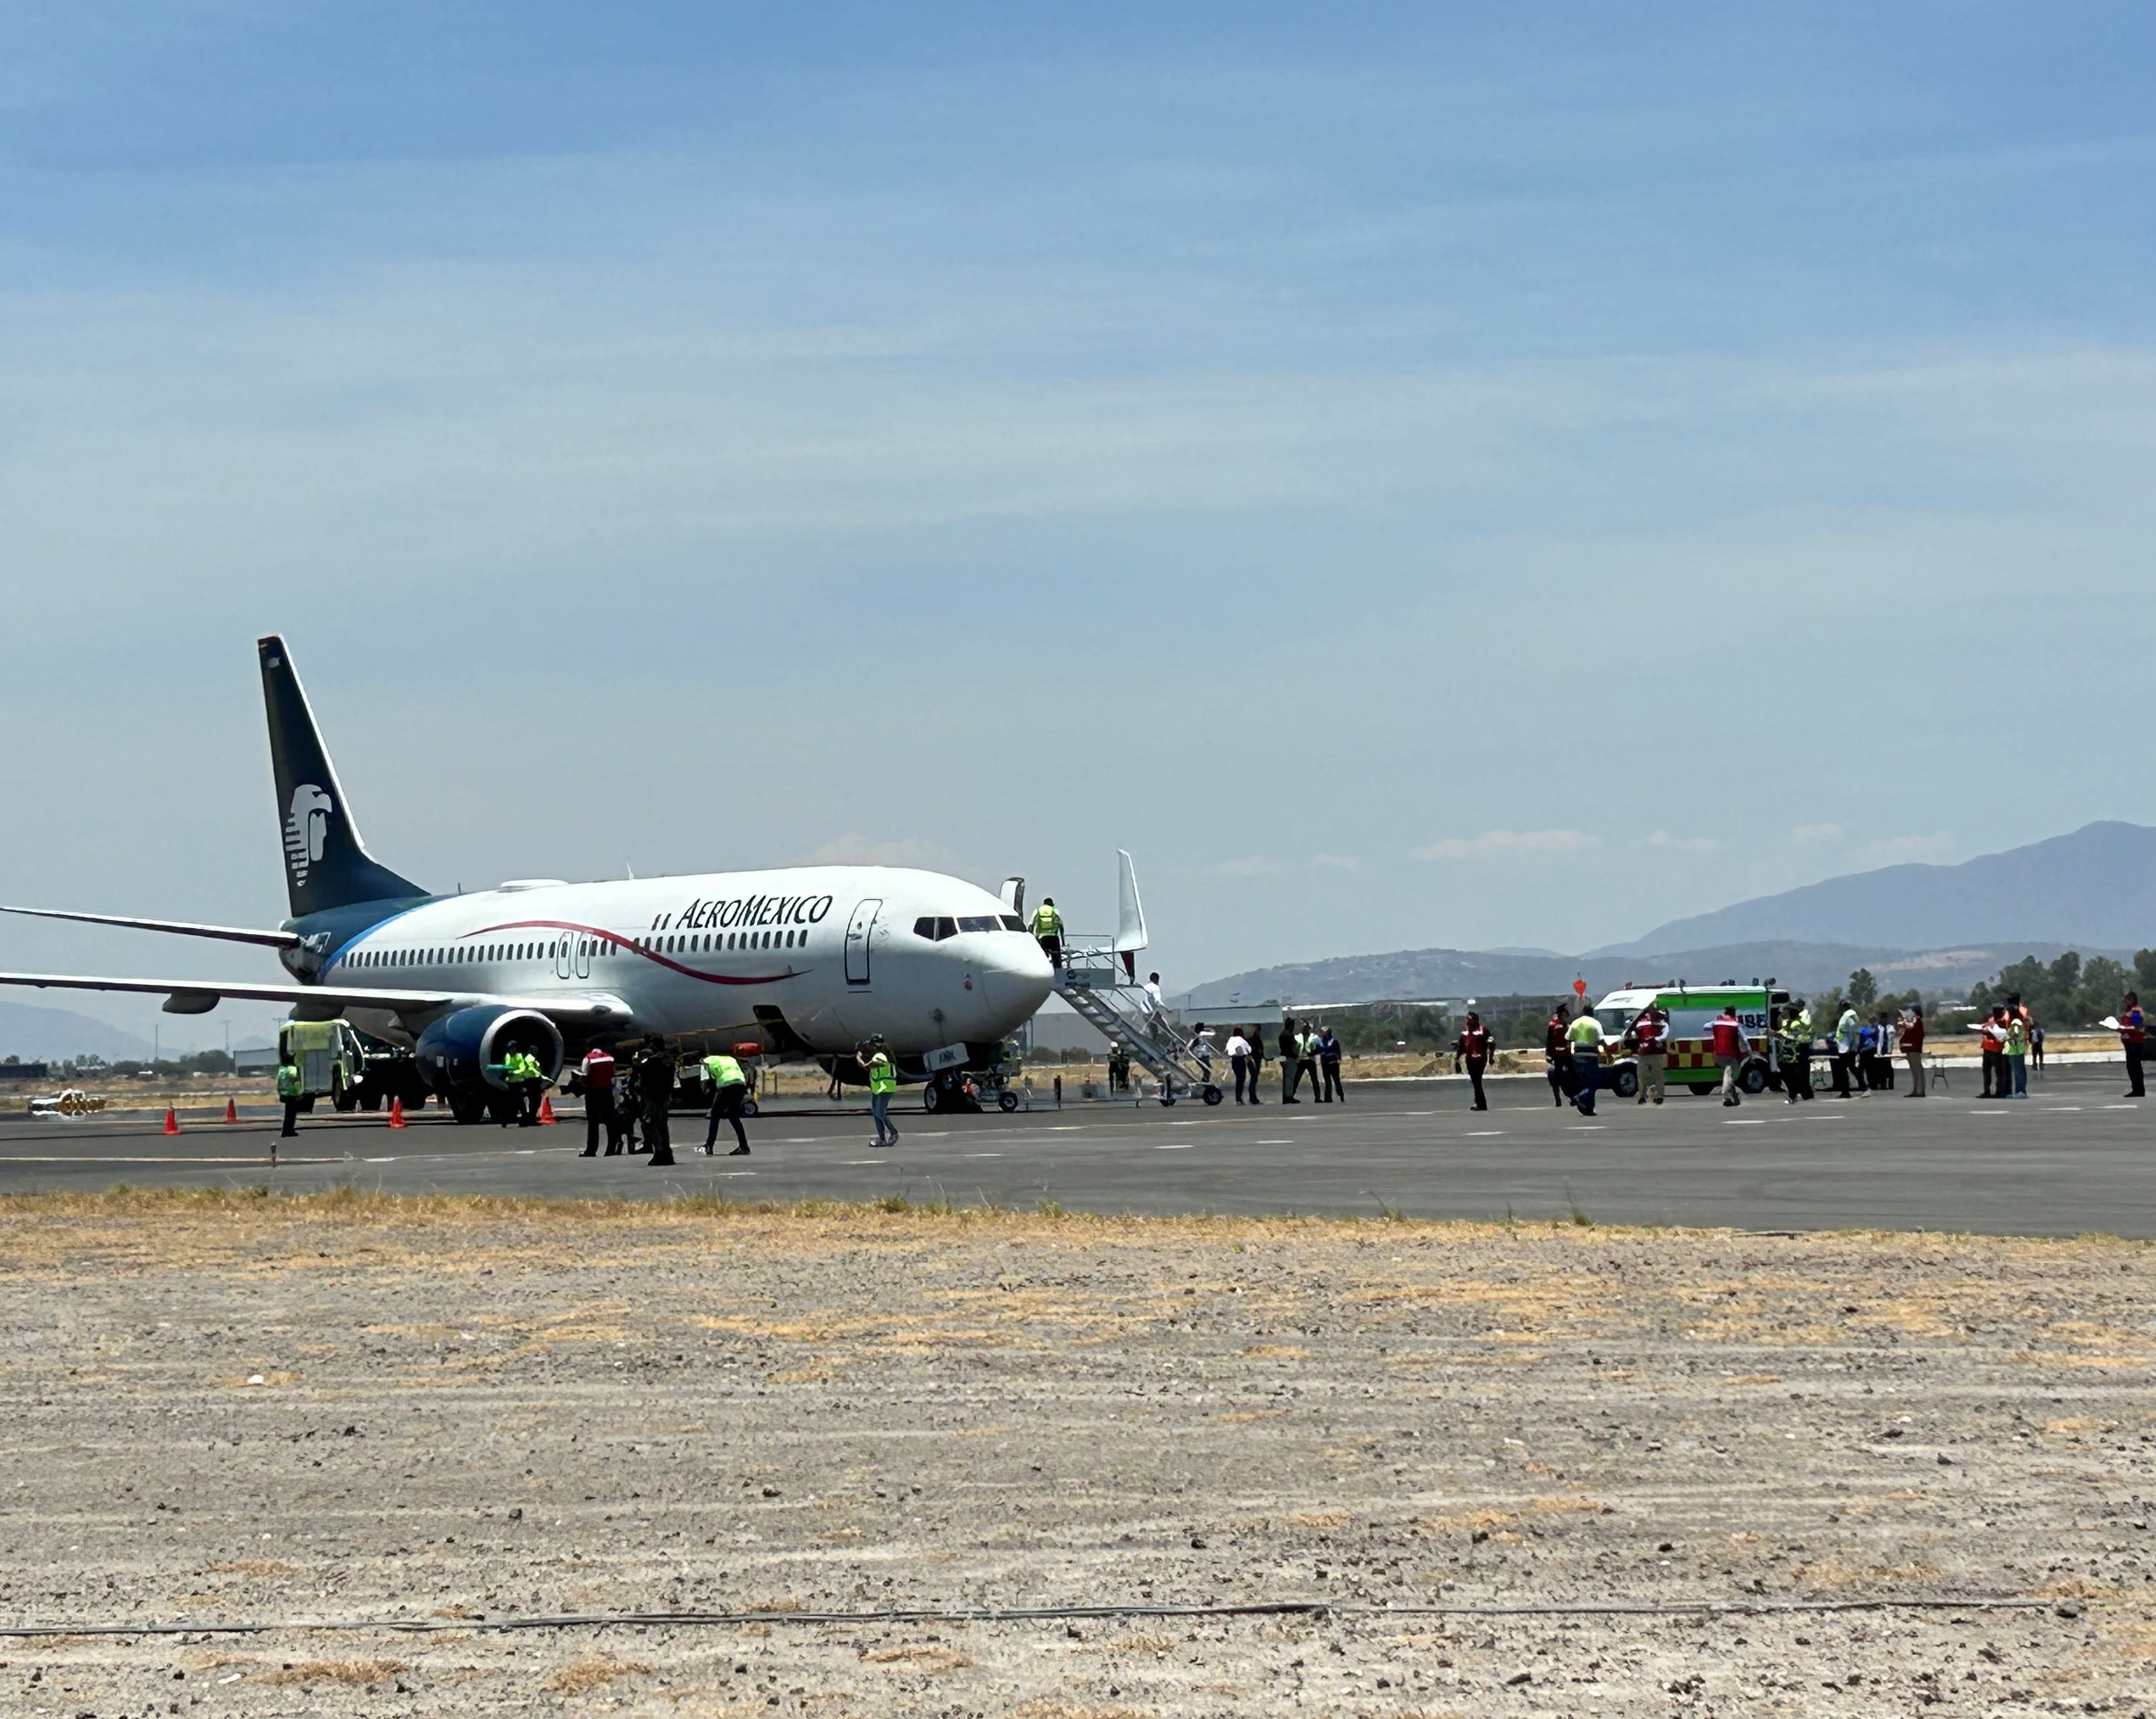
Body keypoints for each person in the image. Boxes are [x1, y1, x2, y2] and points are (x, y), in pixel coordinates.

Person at [634, 1038, 677, 1166]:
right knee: (662, 1125)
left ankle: (659, 1152)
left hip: (654, 1096)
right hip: (665, 1096)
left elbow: (642, 1074)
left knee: (651, 1124)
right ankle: (667, 1152)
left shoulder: (654, 1061)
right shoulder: (669, 1060)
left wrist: (637, 1061)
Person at [701, 1048, 752, 1154]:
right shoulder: (730, 1059)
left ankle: (709, 1146)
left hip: (726, 1085)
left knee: (715, 1114)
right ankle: (744, 1146)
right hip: (740, 1084)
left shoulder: (706, 1061)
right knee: (733, 1115)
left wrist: (708, 1092)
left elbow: (706, 1081)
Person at [578, 1043, 622, 1155]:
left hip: (593, 1092)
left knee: (593, 1123)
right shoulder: (610, 1058)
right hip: (607, 1091)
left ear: (589, 1047)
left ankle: (591, 1150)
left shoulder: (588, 1059)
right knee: (610, 1121)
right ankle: (611, 1149)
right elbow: (613, 1073)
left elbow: (585, 1075)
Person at [859, 1036, 900, 1146]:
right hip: (879, 1088)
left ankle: (893, 1132)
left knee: (880, 1113)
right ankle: (882, 1139)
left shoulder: (880, 1056)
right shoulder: (884, 1055)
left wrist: (859, 1057)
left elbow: (868, 1066)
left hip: (884, 1088)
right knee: (877, 1114)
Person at [1708, 1004, 1750, 1107]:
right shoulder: (1735, 1025)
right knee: (1729, 1075)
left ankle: (1735, 1097)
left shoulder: (1717, 1024)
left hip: (1719, 1054)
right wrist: (1750, 1053)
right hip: (1732, 1054)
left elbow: (1706, 1027)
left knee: (1728, 1074)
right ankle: (1726, 1095)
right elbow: (1744, 1040)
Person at [1566, 1006, 1604, 1115]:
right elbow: (1601, 1040)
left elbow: (1568, 1039)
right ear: (1592, 1014)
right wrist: (1608, 1053)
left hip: (1578, 1055)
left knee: (1583, 1082)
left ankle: (1588, 1109)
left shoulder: (1575, 1023)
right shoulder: (1595, 1023)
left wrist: (1569, 1054)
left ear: (1582, 1012)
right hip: (1591, 1055)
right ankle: (1581, 1097)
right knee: (1593, 1082)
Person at [1629, 1001, 1668, 1106]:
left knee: (1658, 1076)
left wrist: (1656, 1039)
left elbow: (1666, 1034)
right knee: (1642, 1076)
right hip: (1643, 1053)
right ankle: (1642, 1096)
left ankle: (1659, 1096)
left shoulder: (1661, 1022)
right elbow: (1634, 1034)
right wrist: (1634, 1035)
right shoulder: (1641, 1022)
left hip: (1656, 1052)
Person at [1454, 1010, 1493, 1111]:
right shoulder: (1465, 1032)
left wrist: (1491, 1057)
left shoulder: (1482, 1030)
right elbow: (1461, 1047)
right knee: (1475, 1081)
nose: (1467, 1021)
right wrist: (1457, 1060)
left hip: (1480, 1059)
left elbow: (1491, 1043)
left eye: (1468, 1019)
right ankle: (1479, 1102)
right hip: (1470, 1059)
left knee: (1477, 1081)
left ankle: (1481, 1104)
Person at [1778, 1000, 1814, 1104]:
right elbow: (1784, 1032)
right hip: (1787, 1055)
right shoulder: (1788, 1023)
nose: (1784, 1012)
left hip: (1796, 1055)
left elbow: (1797, 1037)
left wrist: (1781, 1035)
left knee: (1798, 1076)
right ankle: (1795, 1095)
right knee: (1788, 1075)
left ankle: (1801, 1096)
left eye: (1787, 1010)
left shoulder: (1797, 1024)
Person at [1829, 1002, 1862, 1099]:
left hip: (1847, 1048)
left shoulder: (1849, 1018)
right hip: (1844, 1047)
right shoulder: (1845, 1017)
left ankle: (1847, 1090)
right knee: (1845, 1069)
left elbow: (1853, 1032)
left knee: (1846, 1069)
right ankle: (1846, 1090)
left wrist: (1851, 1045)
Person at [1544, 1005, 1574, 1108]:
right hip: (1561, 1054)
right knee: (1569, 1075)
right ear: (1562, 1013)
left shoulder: (1555, 1024)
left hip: (1560, 1053)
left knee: (1561, 1077)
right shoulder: (1559, 1025)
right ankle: (1567, 1098)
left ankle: (1562, 1099)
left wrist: (1548, 1054)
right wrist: (1549, 1054)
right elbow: (1550, 1040)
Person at [1978, 1006, 2007, 1100]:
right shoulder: (1991, 1020)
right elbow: (1986, 1026)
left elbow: (2001, 1036)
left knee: (1999, 1072)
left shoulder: (2004, 1021)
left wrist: (1991, 1035)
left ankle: (2000, 1091)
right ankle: (1987, 1091)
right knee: (1986, 1072)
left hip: (1997, 1050)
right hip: (1987, 1049)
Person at [1898, 1004, 1927, 1097]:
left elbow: (1913, 1029)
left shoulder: (1918, 1021)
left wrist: (1905, 1023)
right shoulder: (1917, 1021)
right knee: (1915, 1070)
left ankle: (1920, 1090)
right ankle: (1917, 1090)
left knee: (1918, 1070)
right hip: (1912, 1048)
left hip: (1915, 1048)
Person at [2120, 992, 2145, 1099]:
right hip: (2129, 1042)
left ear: (2131, 1000)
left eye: (2126, 1000)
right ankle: (2136, 1089)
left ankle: (2139, 1090)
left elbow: (2137, 1027)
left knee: (2135, 1067)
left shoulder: (2136, 1012)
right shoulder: (2128, 1012)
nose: (2125, 1002)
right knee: (2131, 1066)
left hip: (2135, 1042)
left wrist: (2123, 1029)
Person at [1028, 898, 1064, 969]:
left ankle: (1041, 971)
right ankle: (1058, 972)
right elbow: (1061, 926)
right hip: (1054, 937)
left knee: (1041, 957)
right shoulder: (1055, 911)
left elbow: (1031, 925)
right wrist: (1063, 940)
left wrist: (1031, 938)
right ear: (1051, 904)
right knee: (1056, 958)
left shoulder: (1038, 910)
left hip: (1042, 938)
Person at [2002, 1011, 2029, 1099]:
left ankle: (2020, 1091)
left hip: (2015, 1050)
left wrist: (2010, 1038)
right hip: (2017, 1050)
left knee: (2018, 1072)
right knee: (2019, 1071)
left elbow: (2016, 1033)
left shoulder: (2015, 1023)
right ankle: (2018, 1091)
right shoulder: (2019, 1022)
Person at [275, 1057, 303, 1140]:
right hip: (292, 1094)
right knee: (292, 1114)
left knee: (288, 1113)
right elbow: (296, 1081)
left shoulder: (282, 1070)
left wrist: (280, 1092)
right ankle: (289, 1130)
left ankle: (286, 1130)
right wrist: (299, 1093)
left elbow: (279, 1082)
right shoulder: (293, 1070)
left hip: (284, 1093)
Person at [1297, 1022, 1324, 1103]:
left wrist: (1312, 1053)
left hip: (1310, 1060)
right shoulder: (1298, 1037)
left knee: (1314, 1080)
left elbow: (1319, 1048)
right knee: (1297, 1079)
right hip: (1302, 1060)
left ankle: (1318, 1098)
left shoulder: (1314, 1038)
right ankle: (1290, 1096)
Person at [1225, 1027, 1253, 1104]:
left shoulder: (1231, 1040)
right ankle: (1239, 1098)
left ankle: (1238, 1098)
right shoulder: (1241, 1040)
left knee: (1238, 1079)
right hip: (1240, 1060)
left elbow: (1228, 1050)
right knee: (1241, 1079)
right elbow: (1248, 1050)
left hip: (1234, 1060)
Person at [1318, 1027, 1345, 1104]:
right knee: (1328, 1081)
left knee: (1336, 1081)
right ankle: (1328, 1098)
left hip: (1333, 1063)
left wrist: (1339, 1059)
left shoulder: (1334, 1041)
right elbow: (1318, 1050)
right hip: (1325, 1064)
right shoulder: (1321, 1042)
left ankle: (1341, 1096)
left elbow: (1338, 1052)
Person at [1278, 1018, 1301, 1103]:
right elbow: (1294, 1047)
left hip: (1284, 1058)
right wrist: (1297, 1055)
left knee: (1287, 1078)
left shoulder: (1282, 1034)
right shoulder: (1289, 1035)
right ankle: (1289, 1096)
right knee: (1290, 1078)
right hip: (1290, 1058)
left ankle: (1286, 1096)